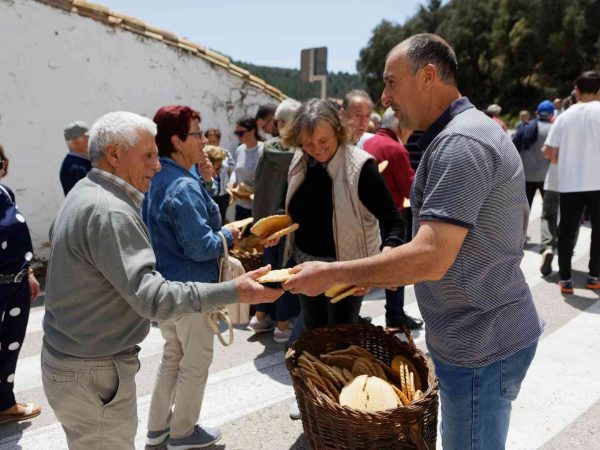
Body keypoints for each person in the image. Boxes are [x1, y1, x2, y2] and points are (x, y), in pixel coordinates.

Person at [284, 34, 543, 450]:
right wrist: (384, 262)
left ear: (427, 76)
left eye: (390, 83)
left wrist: (333, 272)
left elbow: (431, 257)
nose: (385, 97)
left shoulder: (462, 142)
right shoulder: (462, 134)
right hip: (477, 334)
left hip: (481, 342)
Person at [41, 111, 281, 450]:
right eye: (149, 156)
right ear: (114, 155)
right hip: (92, 370)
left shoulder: (85, 192)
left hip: (73, 364)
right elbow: (151, 295)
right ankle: (181, 432)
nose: (157, 165)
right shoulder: (110, 210)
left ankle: (163, 431)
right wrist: (234, 289)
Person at [142, 105, 244, 449]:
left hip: (166, 287)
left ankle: (158, 429)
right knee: (196, 360)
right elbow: (202, 246)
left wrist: (205, 181)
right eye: (197, 134)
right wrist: (230, 235)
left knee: (174, 355)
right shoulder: (181, 186)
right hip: (191, 289)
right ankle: (183, 433)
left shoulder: (159, 176)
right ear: (177, 140)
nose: (203, 139)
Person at [280, 99, 405, 331]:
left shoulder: (361, 167)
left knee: (341, 336)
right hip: (306, 265)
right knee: (314, 332)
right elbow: (285, 205)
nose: (316, 149)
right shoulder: (300, 159)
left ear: (338, 130)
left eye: (323, 140)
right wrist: (278, 227)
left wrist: (387, 257)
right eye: (308, 143)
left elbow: (394, 221)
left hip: (347, 272)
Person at [248, 99, 302, 343]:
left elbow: (260, 188)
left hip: (267, 220)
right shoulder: (302, 152)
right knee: (286, 269)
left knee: (268, 268)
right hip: (289, 222)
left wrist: (259, 222)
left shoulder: (266, 149)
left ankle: (260, 316)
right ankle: (282, 324)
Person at [363, 108, 422, 330]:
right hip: (392, 219)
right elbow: (411, 189)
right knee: (397, 267)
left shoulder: (368, 142)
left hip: (367, 218)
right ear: (401, 127)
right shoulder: (395, 148)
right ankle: (395, 314)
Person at [542, 70, 600, 293]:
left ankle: (565, 279)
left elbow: (548, 152)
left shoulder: (564, 116)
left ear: (577, 90)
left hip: (570, 184)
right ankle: (594, 275)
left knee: (566, 231)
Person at [0, 144, 41, 425]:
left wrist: (28, 274)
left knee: (10, 345)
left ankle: (4, 403)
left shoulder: (5, 192)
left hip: (16, 284)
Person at [513, 100, 554, 208]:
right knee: (549, 211)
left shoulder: (525, 127)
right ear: (552, 114)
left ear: (537, 113)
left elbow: (514, 148)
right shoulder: (553, 129)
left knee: (523, 211)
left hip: (526, 176)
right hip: (546, 177)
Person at [230, 117, 263, 220]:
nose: (238, 136)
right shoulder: (240, 149)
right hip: (240, 205)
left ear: (253, 131)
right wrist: (232, 181)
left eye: (241, 133)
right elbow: (236, 170)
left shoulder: (263, 150)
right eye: (237, 133)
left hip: (257, 206)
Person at [59, 121, 91, 195]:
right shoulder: (76, 168)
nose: (90, 141)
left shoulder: (80, 163)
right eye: (87, 137)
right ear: (75, 141)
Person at [203, 145, 231, 224]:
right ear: (207, 165)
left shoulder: (208, 179)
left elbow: (211, 191)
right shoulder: (196, 182)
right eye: (217, 168)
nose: (219, 171)